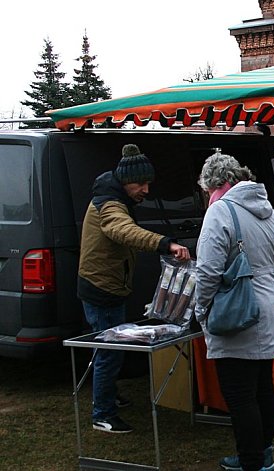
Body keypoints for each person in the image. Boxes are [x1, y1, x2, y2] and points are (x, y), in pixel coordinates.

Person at [78, 143, 190, 434]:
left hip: (111, 285)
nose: (146, 190)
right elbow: (123, 230)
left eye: (148, 183)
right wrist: (166, 243)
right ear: (127, 181)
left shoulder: (116, 198)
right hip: (101, 288)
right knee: (109, 350)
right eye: (142, 183)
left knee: (112, 348)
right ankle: (102, 414)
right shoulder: (110, 205)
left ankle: (107, 394)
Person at [194, 152, 274, 471]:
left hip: (239, 309)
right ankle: (263, 454)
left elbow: (207, 271)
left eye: (208, 189)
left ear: (218, 185)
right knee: (263, 386)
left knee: (240, 395)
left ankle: (252, 461)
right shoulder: (269, 211)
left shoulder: (220, 212)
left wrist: (201, 308)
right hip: (269, 302)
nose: (207, 196)